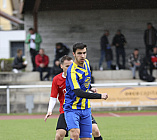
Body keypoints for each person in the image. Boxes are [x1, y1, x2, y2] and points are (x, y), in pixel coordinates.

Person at [44, 55, 103, 140]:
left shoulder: (77, 75)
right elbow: (53, 97)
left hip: (81, 108)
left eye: (71, 66)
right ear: (61, 66)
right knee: (59, 135)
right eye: (67, 66)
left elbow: (83, 85)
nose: (69, 68)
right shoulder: (57, 79)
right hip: (66, 110)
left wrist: (90, 88)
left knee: (95, 130)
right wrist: (49, 110)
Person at [64, 43, 108, 140]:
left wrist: (90, 87)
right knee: (75, 134)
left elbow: (85, 79)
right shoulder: (72, 71)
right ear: (74, 54)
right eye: (79, 53)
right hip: (72, 108)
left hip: (85, 108)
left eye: (84, 53)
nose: (82, 56)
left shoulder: (87, 63)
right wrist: (99, 96)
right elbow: (78, 92)